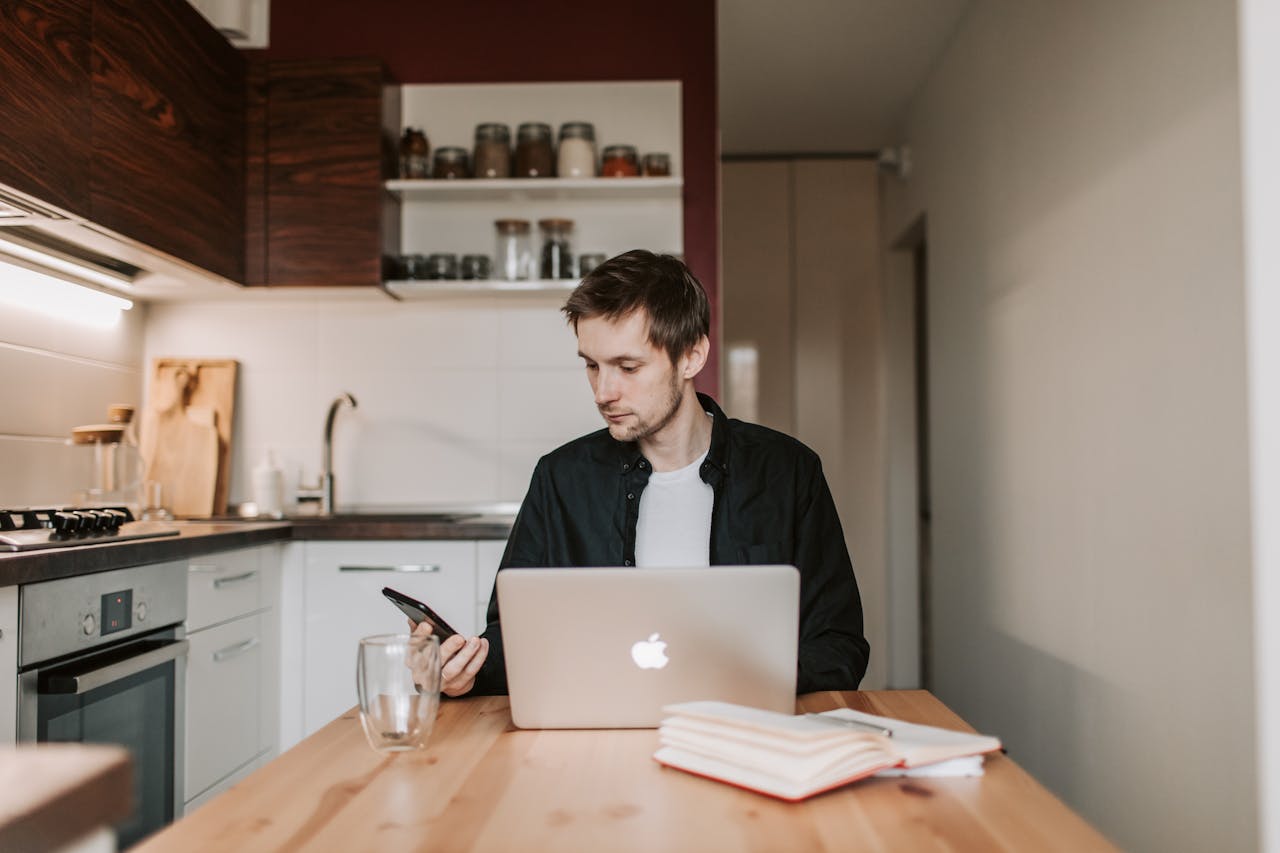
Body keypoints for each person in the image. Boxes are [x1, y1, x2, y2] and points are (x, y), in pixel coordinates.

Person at [411, 249, 869, 697]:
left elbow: (839, 646)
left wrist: (741, 678)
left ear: (691, 356)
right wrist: (462, 671)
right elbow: (512, 639)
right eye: (592, 365)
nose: (603, 392)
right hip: (594, 739)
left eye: (627, 367)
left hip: (742, 733)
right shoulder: (561, 479)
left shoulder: (787, 472)